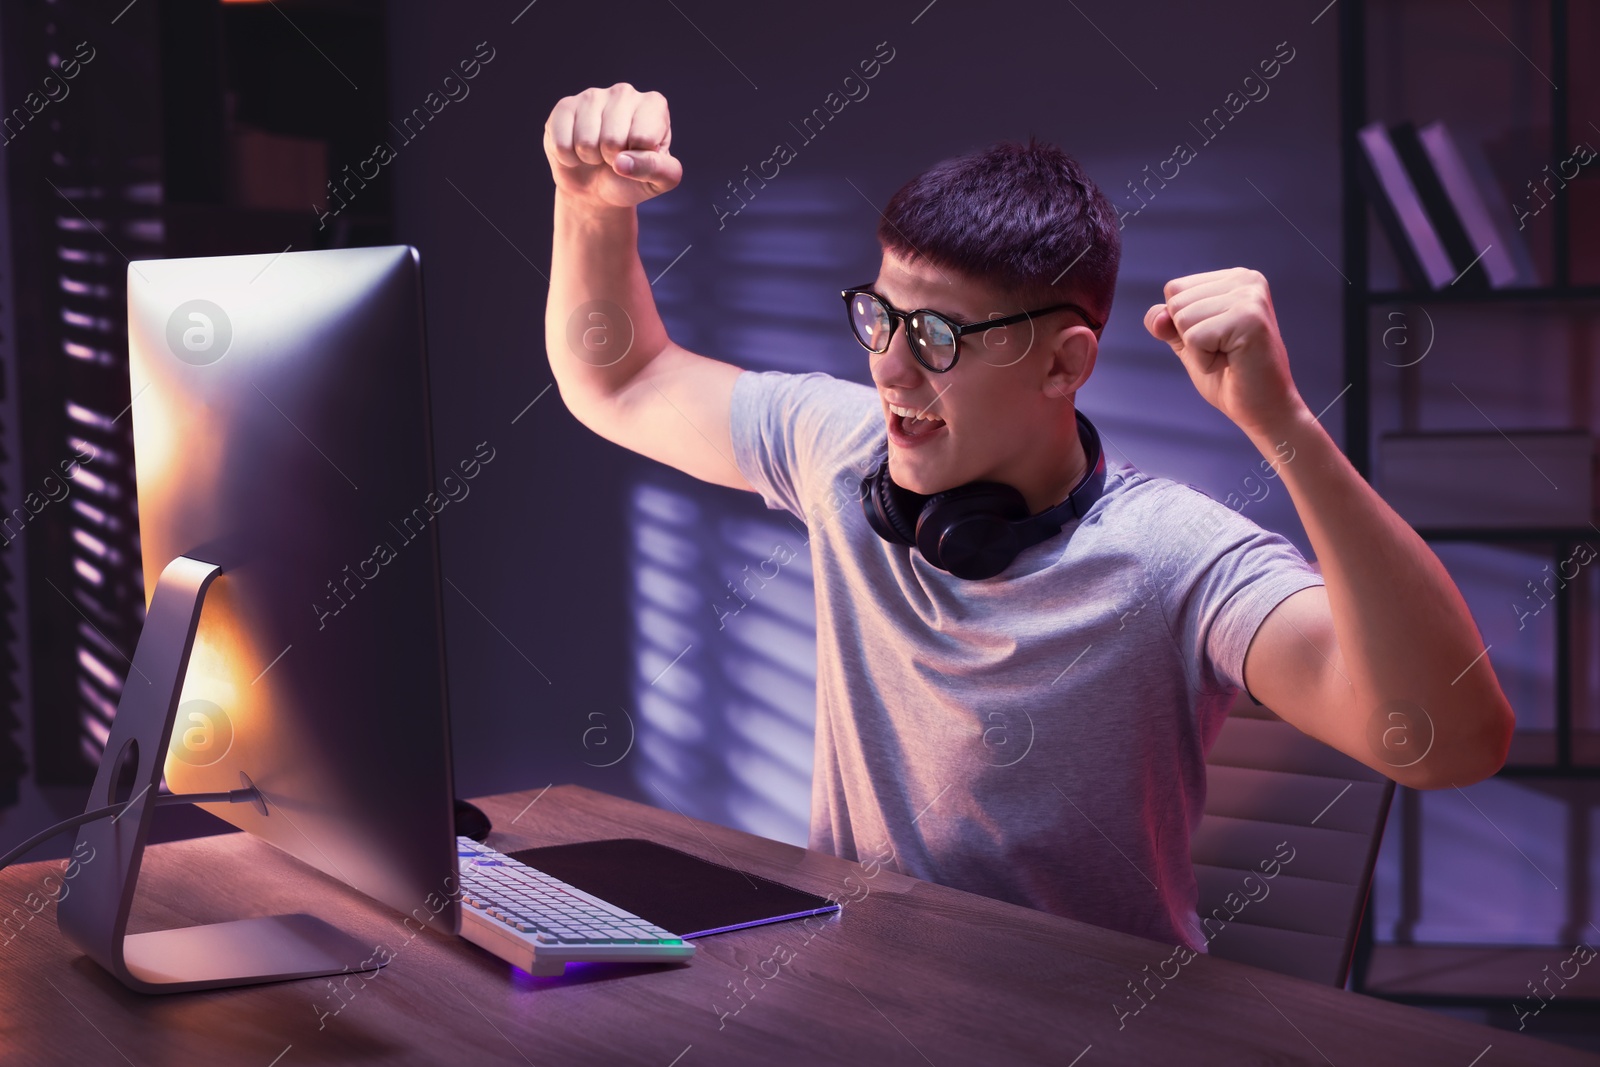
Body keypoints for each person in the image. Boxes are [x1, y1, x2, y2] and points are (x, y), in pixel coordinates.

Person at [541, 82, 1514, 951]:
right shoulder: (841, 452)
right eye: (880, 318)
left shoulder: (1171, 555)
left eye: (935, 336)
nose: (888, 368)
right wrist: (589, 205)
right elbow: (621, 378)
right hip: (854, 1001)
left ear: (1065, 363)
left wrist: (1283, 424)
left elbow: (1441, 738)